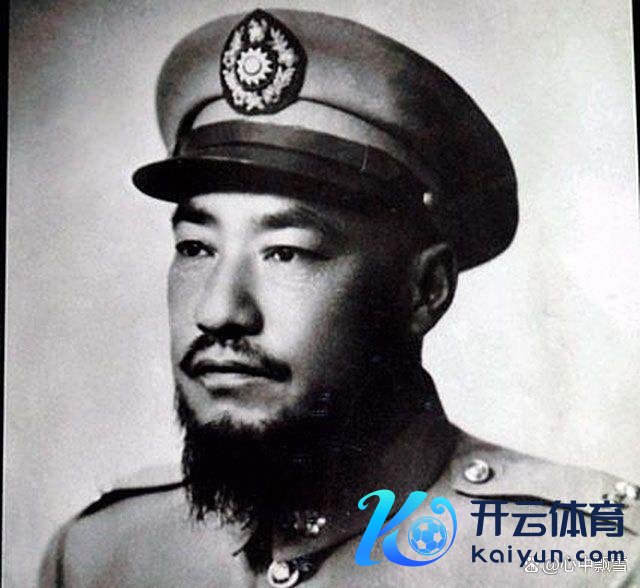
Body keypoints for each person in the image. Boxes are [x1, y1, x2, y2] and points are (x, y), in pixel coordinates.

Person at [39, 8, 639, 587]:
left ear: (425, 291)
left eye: (286, 252)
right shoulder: (98, 560)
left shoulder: (588, 561)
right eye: (196, 247)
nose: (217, 311)